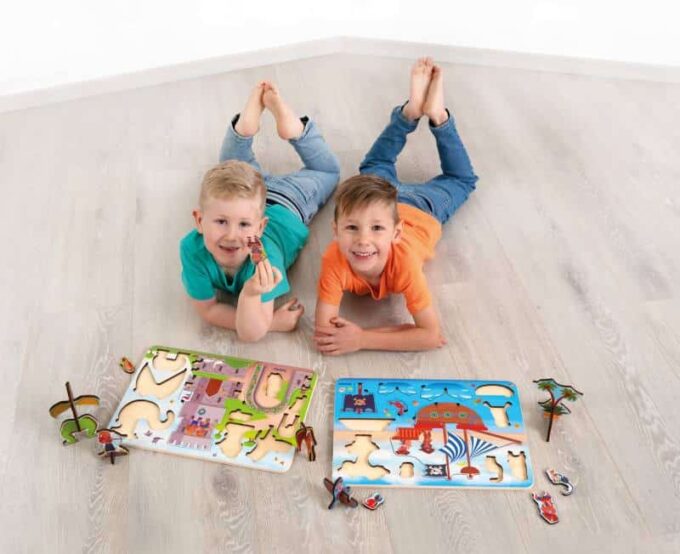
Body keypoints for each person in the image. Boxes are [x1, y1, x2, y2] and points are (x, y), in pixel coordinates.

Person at [314, 58, 478, 354]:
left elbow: (430, 336)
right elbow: (325, 334)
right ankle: (420, 114)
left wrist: (362, 338)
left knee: (461, 179)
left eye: (376, 230)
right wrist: (399, 334)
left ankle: (428, 115)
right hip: (378, 204)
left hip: (421, 208)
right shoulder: (333, 259)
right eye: (352, 228)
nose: (363, 240)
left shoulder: (403, 263)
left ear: (397, 233)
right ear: (335, 230)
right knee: (375, 165)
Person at [181, 82, 340, 341]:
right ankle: (244, 132)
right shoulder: (190, 248)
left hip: (290, 199)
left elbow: (250, 333)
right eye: (221, 221)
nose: (232, 235)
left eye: (243, 225)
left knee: (328, 172)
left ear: (260, 228)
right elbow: (208, 311)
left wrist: (251, 295)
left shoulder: (263, 260)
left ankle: (293, 130)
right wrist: (270, 322)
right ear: (199, 220)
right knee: (231, 167)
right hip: (248, 198)